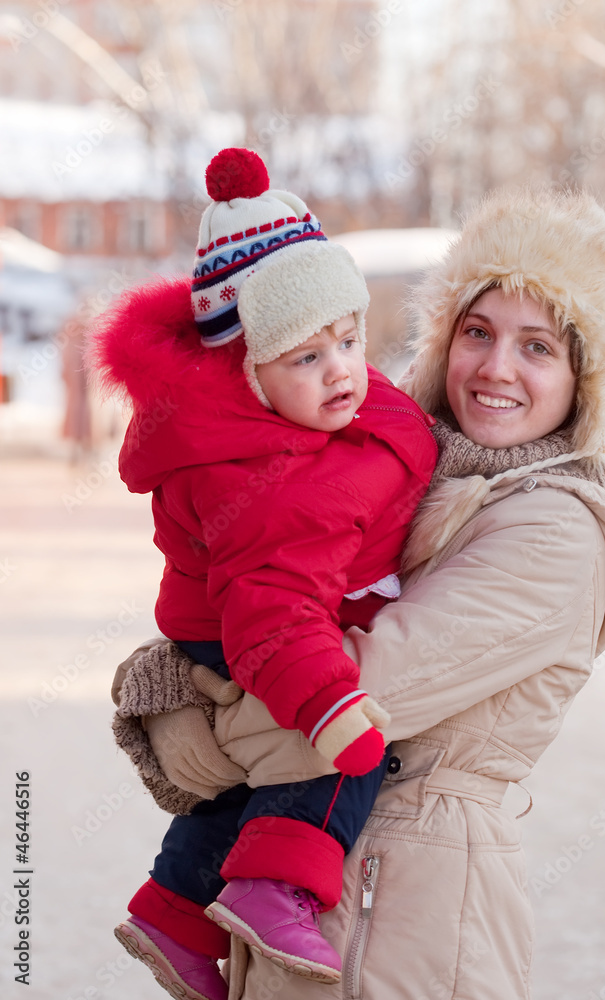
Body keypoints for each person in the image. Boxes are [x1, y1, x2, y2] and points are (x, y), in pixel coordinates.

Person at [113, 184, 605, 1000]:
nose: (496, 368)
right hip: (306, 905)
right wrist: (179, 672)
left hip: (407, 922)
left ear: (587, 378)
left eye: (539, 347)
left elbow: (361, 688)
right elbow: (264, 582)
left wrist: (190, 706)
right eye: (477, 332)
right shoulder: (394, 470)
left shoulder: (555, 532)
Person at [88, 148, 437, 999]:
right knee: (337, 751)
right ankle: (273, 887)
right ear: (247, 373)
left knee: (242, 777)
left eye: (348, 341)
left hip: (245, 618)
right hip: (247, 630)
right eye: (306, 359)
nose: (343, 371)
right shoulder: (264, 475)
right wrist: (326, 702)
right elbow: (272, 609)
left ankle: (174, 908)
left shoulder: (302, 419)